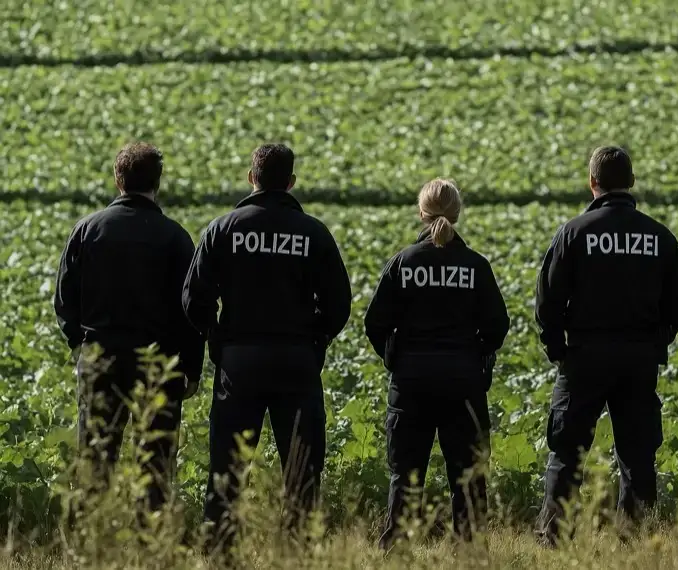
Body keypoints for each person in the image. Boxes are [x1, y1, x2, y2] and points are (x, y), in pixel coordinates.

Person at [182, 143, 352, 552]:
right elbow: (339, 304)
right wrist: (316, 338)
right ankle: (297, 548)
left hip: (239, 361)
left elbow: (193, 298)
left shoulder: (222, 229)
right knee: (302, 464)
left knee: (228, 463)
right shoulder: (313, 232)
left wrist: (216, 336)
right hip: (296, 360)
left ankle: (220, 547)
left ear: (251, 178)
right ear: (291, 182)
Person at [533, 146, 678, 545]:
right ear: (631, 182)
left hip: (583, 357)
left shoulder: (573, 233)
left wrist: (558, 350)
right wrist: (655, 341)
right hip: (638, 359)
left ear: (592, 183)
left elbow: (548, 300)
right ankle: (635, 539)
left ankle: (554, 537)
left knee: (567, 451)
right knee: (638, 454)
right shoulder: (660, 237)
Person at [53, 142, 204, 523]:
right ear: (158, 182)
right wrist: (191, 368)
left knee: (96, 455)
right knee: (155, 463)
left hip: (100, 357)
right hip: (158, 364)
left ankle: (90, 537)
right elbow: (191, 309)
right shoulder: (175, 238)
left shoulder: (87, 230)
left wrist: (80, 345)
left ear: (117, 180)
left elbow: (65, 299)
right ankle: (150, 540)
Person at [364, 178, 509, 550]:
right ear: (457, 214)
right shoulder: (476, 266)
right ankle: (471, 551)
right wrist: (475, 355)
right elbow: (497, 326)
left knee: (405, 474)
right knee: (468, 475)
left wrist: (396, 358)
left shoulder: (403, 263)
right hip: (463, 383)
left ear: (421, 213)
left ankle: (397, 549)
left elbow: (375, 323)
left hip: (411, 383)